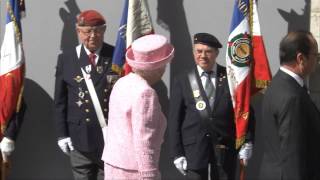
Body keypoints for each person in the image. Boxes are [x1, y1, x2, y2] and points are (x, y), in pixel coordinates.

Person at [168, 33, 254, 180]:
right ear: (194, 52)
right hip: (194, 150)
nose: (203, 56)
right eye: (199, 51)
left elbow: (245, 111)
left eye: (208, 51)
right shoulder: (183, 80)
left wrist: (247, 141)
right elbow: (175, 120)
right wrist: (177, 153)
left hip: (225, 148)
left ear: (216, 53)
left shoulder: (231, 77)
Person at [54, 10, 117, 180]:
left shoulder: (116, 56)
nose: (92, 36)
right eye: (87, 31)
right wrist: (62, 134)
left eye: (97, 31)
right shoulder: (66, 59)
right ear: (78, 32)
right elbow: (60, 101)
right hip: (79, 138)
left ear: (104, 31)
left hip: (110, 138)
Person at [102, 34, 174, 179]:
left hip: (113, 164)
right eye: (164, 64)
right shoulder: (145, 93)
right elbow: (144, 139)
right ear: (158, 68)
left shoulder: (122, 82)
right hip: (135, 171)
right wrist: (149, 175)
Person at [259, 31, 320, 180]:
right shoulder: (292, 96)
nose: (317, 62)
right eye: (316, 56)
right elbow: (293, 154)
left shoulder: (278, 83)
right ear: (301, 58)